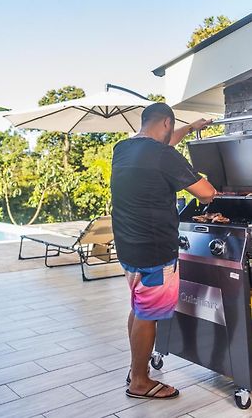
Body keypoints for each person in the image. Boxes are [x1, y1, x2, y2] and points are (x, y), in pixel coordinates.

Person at [110, 103, 216, 400]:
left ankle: (136, 368)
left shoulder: (124, 148)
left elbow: (164, 143)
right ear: (167, 123)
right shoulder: (164, 155)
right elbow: (206, 193)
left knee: (139, 307)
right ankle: (140, 382)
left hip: (129, 246)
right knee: (148, 315)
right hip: (154, 249)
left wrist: (192, 128)